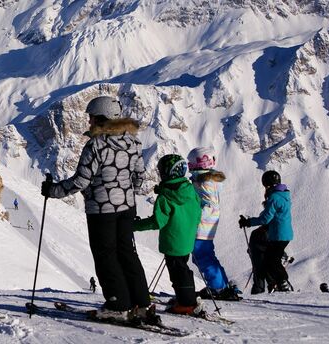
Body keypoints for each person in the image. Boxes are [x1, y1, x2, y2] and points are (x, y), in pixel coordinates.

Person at [41, 96, 158, 325]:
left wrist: (52, 190)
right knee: (127, 253)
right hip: (126, 208)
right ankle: (142, 303)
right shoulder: (133, 142)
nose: (89, 122)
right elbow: (140, 176)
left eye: (92, 118)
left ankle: (118, 305)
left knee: (106, 256)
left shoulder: (96, 145)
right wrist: (127, 196)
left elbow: (81, 182)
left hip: (101, 210)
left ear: (102, 118)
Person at [134, 154, 203, 316]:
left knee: (177, 274)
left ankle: (186, 303)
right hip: (187, 239)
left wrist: (134, 225)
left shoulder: (166, 196)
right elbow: (198, 211)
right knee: (183, 269)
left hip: (172, 241)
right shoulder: (190, 190)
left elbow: (157, 222)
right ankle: (186, 298)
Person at [186, 147, 239, 301]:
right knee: (206, 255)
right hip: (208, 225)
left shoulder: (203, 182)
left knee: (202, 256)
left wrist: (193, 219)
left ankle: (217, 287)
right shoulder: (208, 180)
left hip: (201, 226)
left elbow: (208, 204)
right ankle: (222, 284)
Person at [239, 170, 294, 293]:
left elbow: (265, 218)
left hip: (278, 235)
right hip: (283, 233)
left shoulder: (274, 197)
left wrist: (248, 222)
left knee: (272, 260)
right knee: (272, 259)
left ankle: (283, 283)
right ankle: (281, 284)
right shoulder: (284, 195)